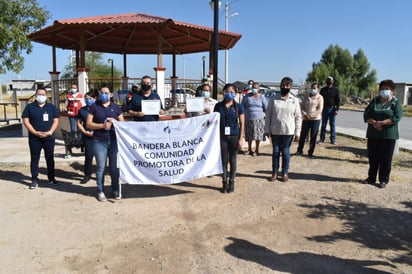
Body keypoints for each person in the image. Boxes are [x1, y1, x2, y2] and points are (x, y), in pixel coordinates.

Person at [87, 86, 124, 202]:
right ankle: (100, 191)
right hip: (99, 140)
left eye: (106, 93)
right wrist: (102, 126)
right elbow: (88, 123)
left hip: (113, 141)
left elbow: (123, 123)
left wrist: (116, 122)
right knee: (101, 167)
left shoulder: (116, 107)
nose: (104, 94)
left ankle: (115, 189)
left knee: (114, 168)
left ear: (111, 94)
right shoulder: (94, 106)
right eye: (102, 92)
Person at [363, 79, 403, 189]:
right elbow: (367, 114)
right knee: (373, 157)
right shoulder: (375, 101)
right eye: (383, 89)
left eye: (387, 89)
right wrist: (374, 123)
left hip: (388, 136)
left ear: (392, 91)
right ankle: (371, 178)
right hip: (373, 135)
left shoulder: (395, 103)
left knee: (386, 159)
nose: (384, 91)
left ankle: (383, 179)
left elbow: (396, 117)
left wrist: (381, 123)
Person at [264, 77, 302, 182]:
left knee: (285, 152)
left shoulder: (294, 100)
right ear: (280, 86)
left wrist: (297, 132)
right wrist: (266, 129)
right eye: (283, 85)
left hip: (288, 131)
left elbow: (298, 117)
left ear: (290, 87)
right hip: (275, 130)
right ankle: (274, 172)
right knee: (276, 151)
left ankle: (285, 172)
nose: (285, 87)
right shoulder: (274, 99)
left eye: (287, 85)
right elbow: (268, 115)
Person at [22, 87, 60, 189]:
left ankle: (51, 178)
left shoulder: (51, 107)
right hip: (35, 138)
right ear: (35, 95)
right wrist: (34, 132)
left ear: (46, 95)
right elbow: (26, 121)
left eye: (43, 94)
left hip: (49, 137)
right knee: (35, 158)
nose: (41, 96)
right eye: (39, 94)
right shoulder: (30, 107)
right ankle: (34, 179)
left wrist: (50, 132)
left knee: (50, 158)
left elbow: (56, 121)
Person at [214, 83, 245, 193]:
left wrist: (241, 138)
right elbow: (213, 122)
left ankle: (232, 182)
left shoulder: (238, 107)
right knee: (223, 161)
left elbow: (242, 123)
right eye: (227, 92)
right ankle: (224, 182)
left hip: (234, 137)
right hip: (222, 137)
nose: (229, 94)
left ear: (235, 93)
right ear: (223, 93)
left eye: (232, 92)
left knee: (232, 160)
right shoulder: (218, 106)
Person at [296, 82, 324, 157]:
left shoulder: (320, 97)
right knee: (303, 135)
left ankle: (310, 152)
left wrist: (312, 116)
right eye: (312, 88)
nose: (313, 89)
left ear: (318, 89)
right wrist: (305, 114)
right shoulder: (306, 96)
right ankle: (299, 150)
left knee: (313, 136)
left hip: (315, 120)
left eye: (314, 88)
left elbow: (320, 109)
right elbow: (301, 106)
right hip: (306, 118)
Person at [77, 90, 98, 184]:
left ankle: (99, 175)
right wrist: (84, 131)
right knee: (89, 156)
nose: (88, 100)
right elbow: (79, 122)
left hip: (99, 136)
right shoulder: (82, 110)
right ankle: (87, 175)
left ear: (95, 99)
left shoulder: (99, 108)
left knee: (100, 156)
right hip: (87, 136)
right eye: (86, 99)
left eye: (90, 99)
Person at [241, 82, 268, 156]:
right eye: (253, 87)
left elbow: (266, 107)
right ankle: (249, 149)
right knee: (249, 135)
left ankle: (257, 149)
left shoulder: (262, 97)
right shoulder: (247, 96)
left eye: (255, 88)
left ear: (258, 89)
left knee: (258, 135)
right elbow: (242, 106)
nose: (254, 89)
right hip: (249, 118)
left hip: (259, 118)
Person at [319, 76, 340, 144]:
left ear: (332, 81)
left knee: (332, 125)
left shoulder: (336, 90)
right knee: (323, 125)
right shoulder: (323, 90)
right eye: (328, 80)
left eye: (330, 80)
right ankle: (322, 139)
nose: (329, 81)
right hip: (324, 109)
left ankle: (333, 140)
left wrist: (337, 109)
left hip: (332, 109)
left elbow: (338, 101)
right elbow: (320, 100)